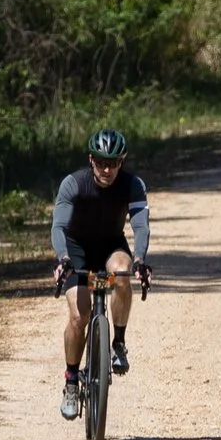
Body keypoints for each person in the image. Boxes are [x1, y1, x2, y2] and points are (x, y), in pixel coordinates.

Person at [51, 128, 150, 417]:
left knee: (122, 273)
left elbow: (140, 226)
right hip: (76, 250)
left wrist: (140, 259)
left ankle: (118, 343)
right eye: (102, 163)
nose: (107, 170)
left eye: (114, 163)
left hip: (110, 246)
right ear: (91, 160)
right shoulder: (74, 184)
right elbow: (59, 226)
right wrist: (63, 258)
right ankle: (71, 381)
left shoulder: (133, 185)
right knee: (79, 316)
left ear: (122, 162)